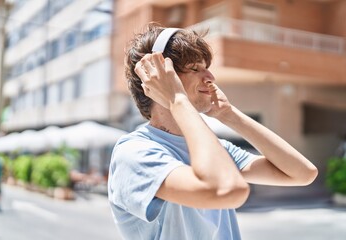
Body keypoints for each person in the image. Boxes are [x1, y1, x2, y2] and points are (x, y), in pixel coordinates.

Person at [107, 23, 318, 240]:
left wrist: (228, 114)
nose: (210, 77)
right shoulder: (134, 153)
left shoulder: (215, 149)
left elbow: (303, 173)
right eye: (195, 68)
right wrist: (176, 99)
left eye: (207, 67)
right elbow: (225, 190)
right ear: (158, 75)